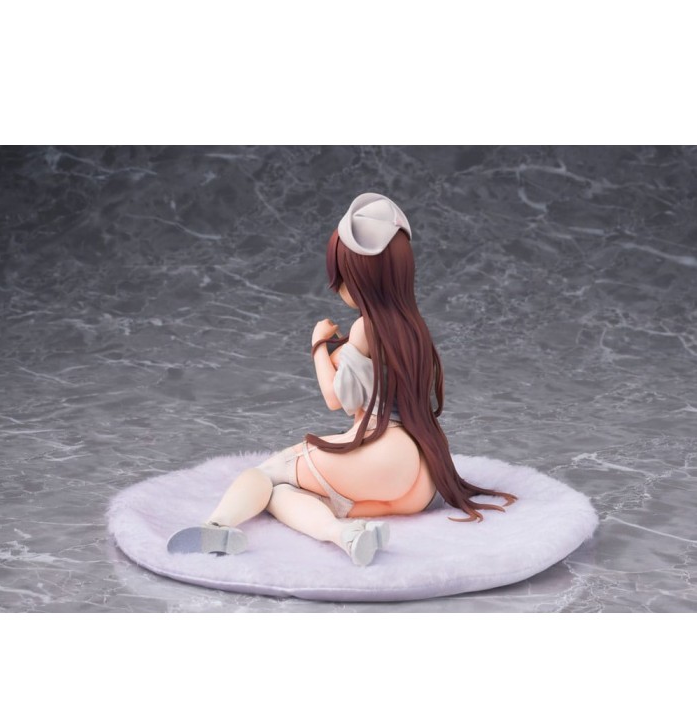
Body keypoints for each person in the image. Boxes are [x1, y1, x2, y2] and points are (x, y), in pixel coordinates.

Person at [167, 192, 518, 565]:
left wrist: (318, 345)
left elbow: (337, 399)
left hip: (384, 455)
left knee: (269, 473)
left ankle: (216, 525)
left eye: (343, 276)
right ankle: (347, 536)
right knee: (291, 496)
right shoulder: (414, 328)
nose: (338, 286)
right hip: (422, 475)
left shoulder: (366, 328)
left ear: (363, 278)